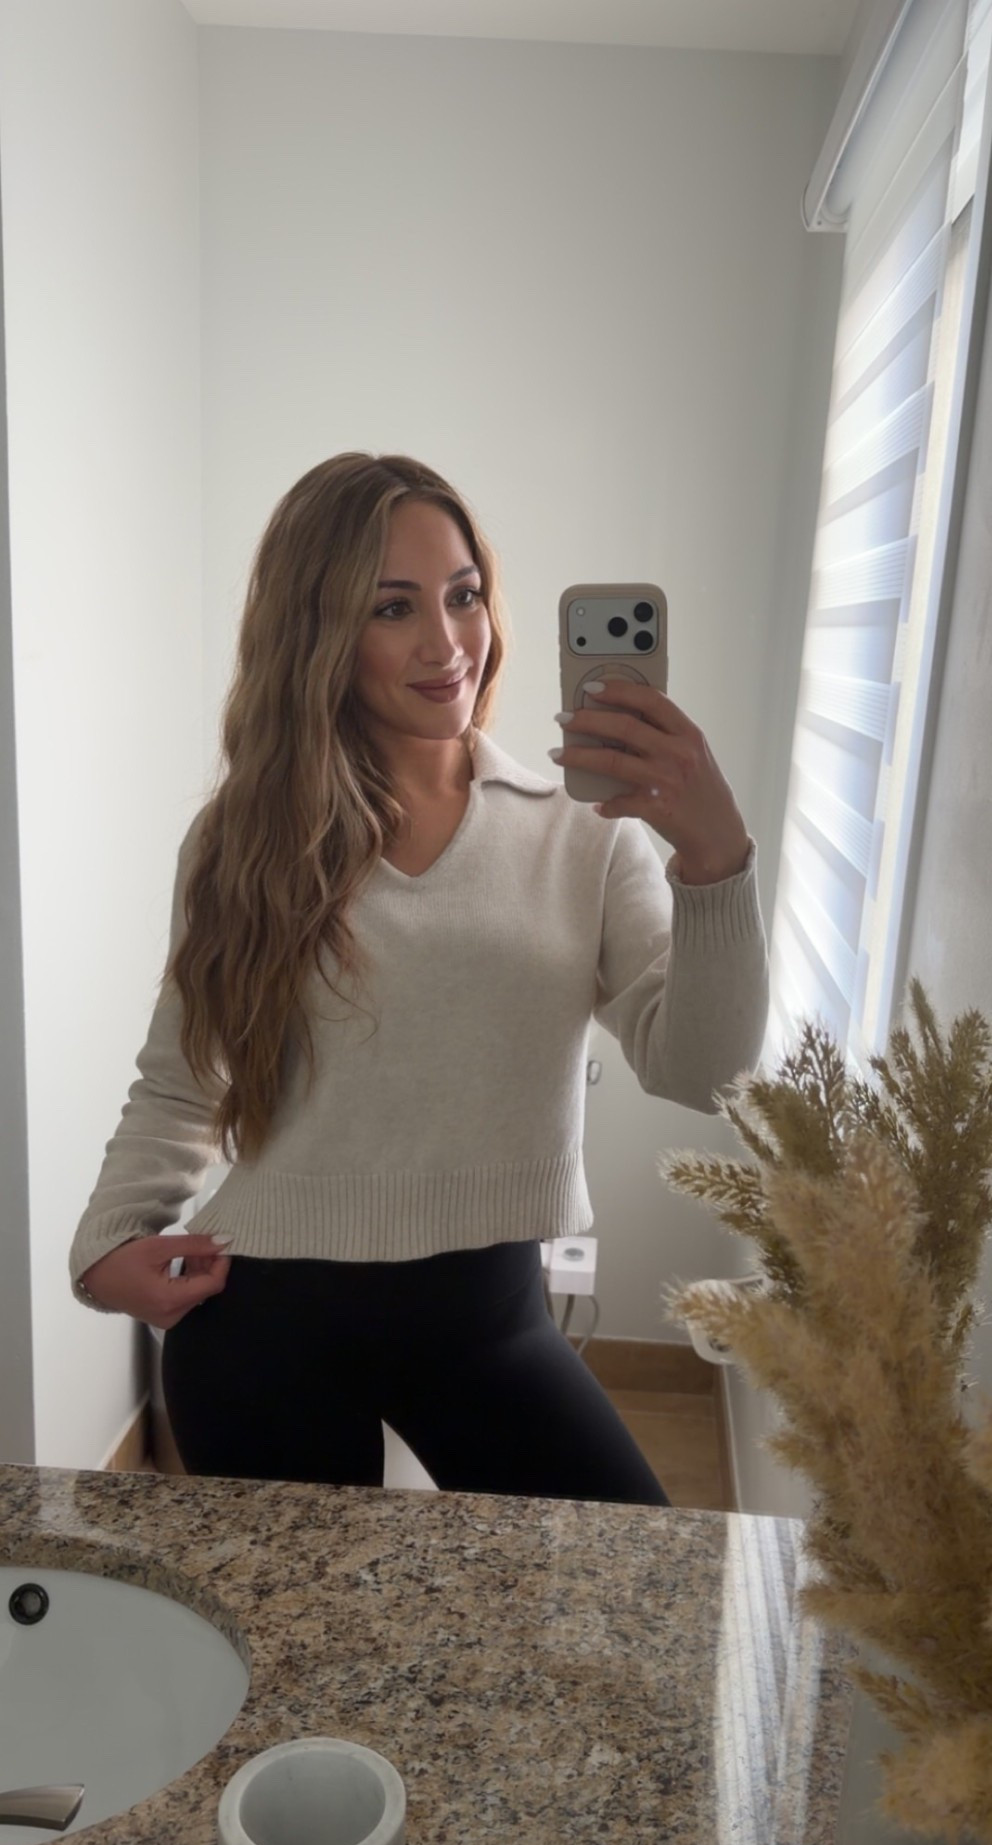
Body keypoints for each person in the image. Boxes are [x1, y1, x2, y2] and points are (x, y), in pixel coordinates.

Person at [69, 453, 769, 1503]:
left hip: (491, 1326)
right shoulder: (241, 841)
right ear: (318, 633)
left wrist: (715, 859)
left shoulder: (584, 831)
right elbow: (183, 1077)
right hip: (261, 1330)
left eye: (464, 595)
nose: (448, 643)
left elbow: (704, 1070)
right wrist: (107, 1242)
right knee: (298, 1618)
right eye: (392, 607)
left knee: (638, 1586)